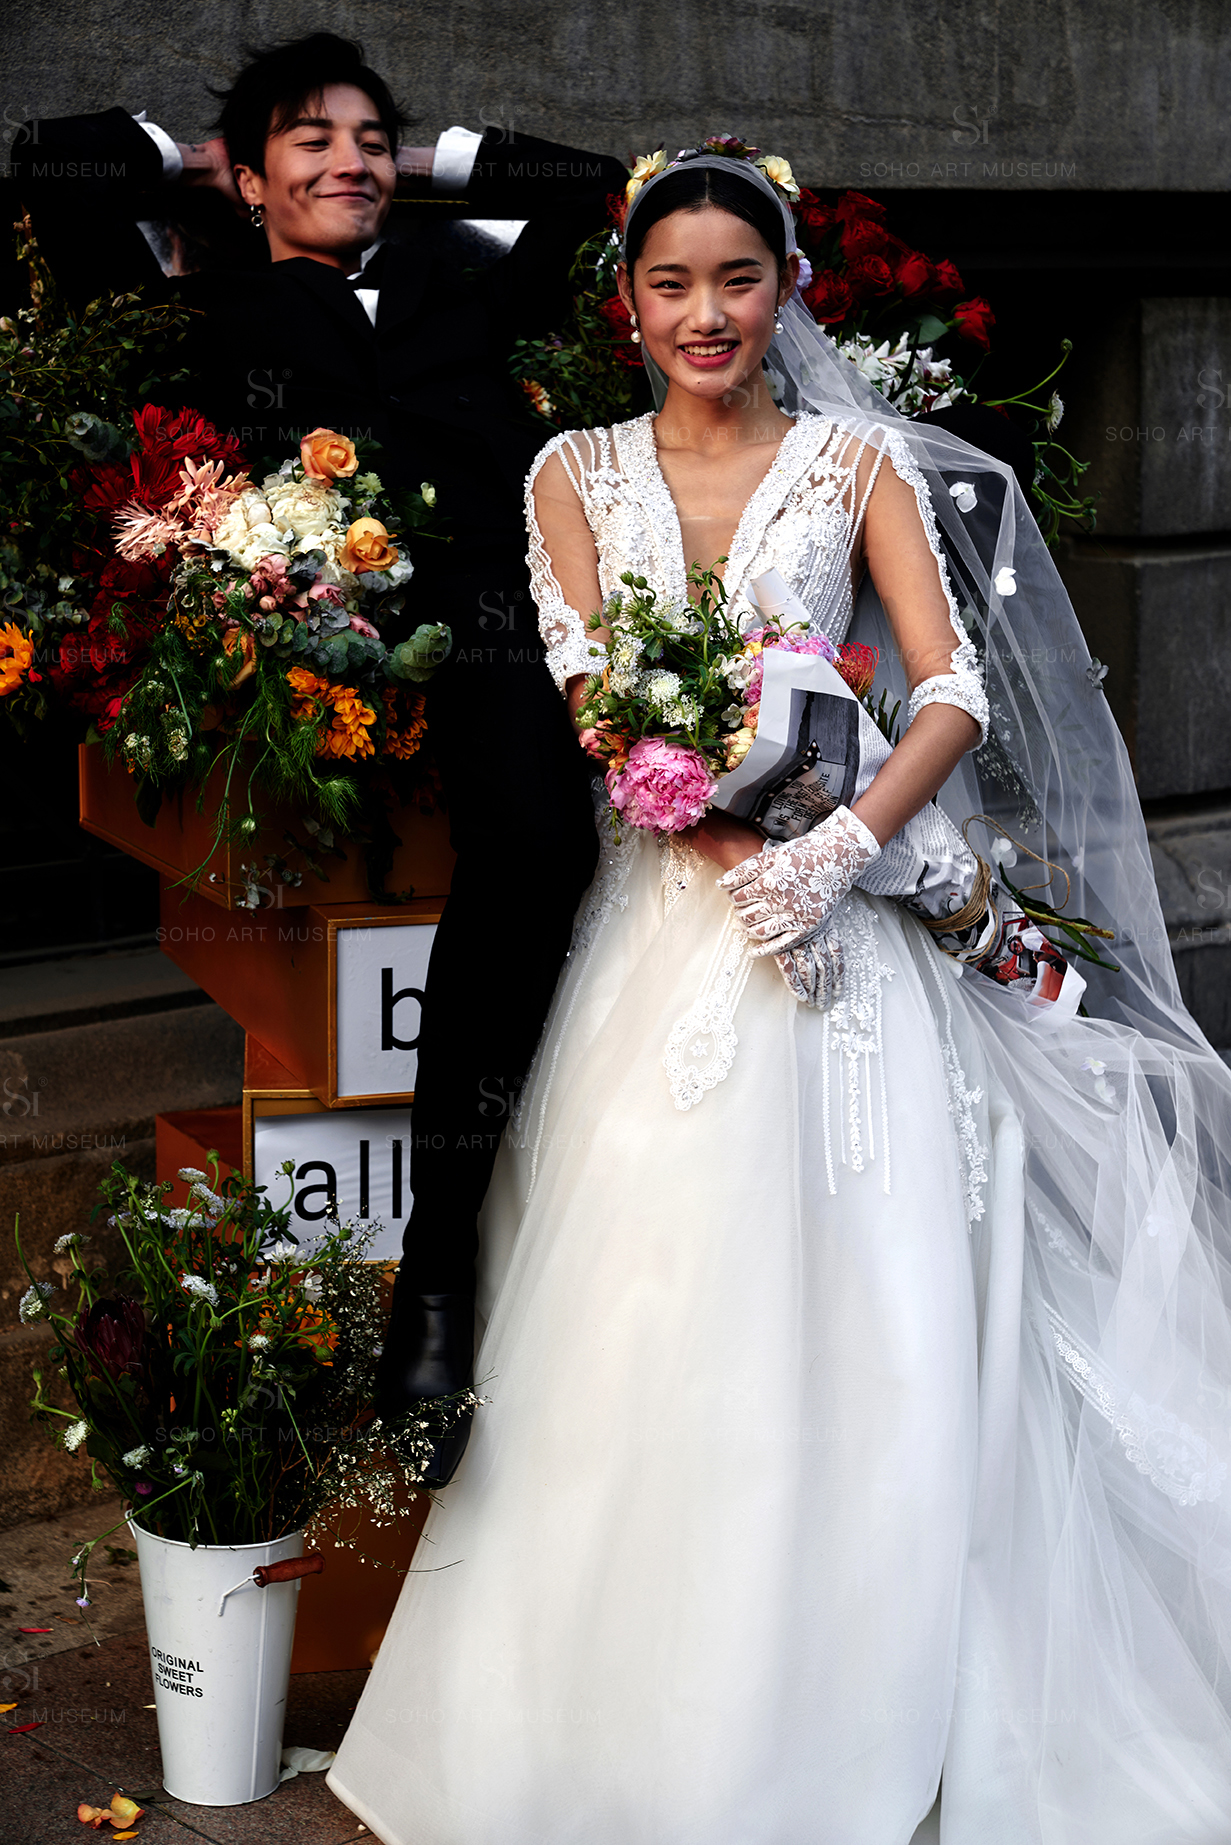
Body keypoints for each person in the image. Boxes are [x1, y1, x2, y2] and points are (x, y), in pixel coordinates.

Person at [325, 143, 1231, 1843]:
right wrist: (733, 850)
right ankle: (616, 1734)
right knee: (644, 1297)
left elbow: (949, 689)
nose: (707, 313)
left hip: (846, 925)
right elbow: (600, 709)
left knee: (874, 1305)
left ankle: (855, 1703)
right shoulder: (571, 472)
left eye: (738, 278)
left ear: (786, 287)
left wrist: (843, 849)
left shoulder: (855, 460)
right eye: (672, 283)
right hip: (662, 924)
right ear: (627, 302)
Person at [10, 37, 629, 1466]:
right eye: (312, 139)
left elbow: (590, 186)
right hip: (318, 617)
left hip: (494, 611)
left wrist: (416, 164)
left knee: (544, 846)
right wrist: (203, 164)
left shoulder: (461, 284)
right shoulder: (199, 301)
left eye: (369, 137)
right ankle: (428, 1287)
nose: (351, 159)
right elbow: (54, 163)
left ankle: (435, 1271)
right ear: (248, 179)